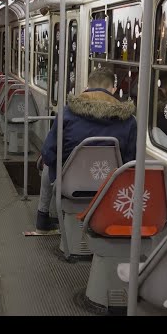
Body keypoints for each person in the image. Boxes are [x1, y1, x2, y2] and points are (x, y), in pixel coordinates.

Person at [36, 67, 137, 232]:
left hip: (70, 185)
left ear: (87, 87)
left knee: (48, 164)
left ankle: (43, 215)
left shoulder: (67, 114)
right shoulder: (129, 121)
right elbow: (131, 162)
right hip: (109, 187)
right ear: (113, 89)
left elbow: (48, 153)